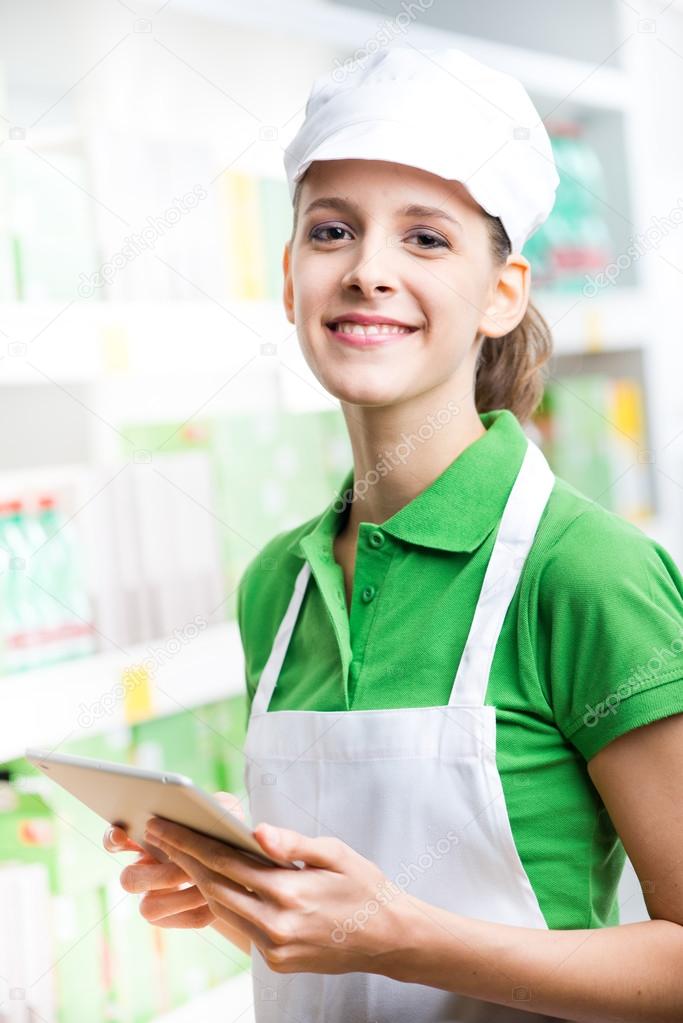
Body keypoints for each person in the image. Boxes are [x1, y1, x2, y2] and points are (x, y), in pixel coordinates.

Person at [105, 47, 683, 1022]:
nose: (368, 271)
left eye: (425, 239)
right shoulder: (276, 588)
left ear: (502, 291)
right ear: (290, 278)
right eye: (332, 231)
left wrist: (394, 935)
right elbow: (345, 927)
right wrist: (252, 893)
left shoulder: (583, 571)